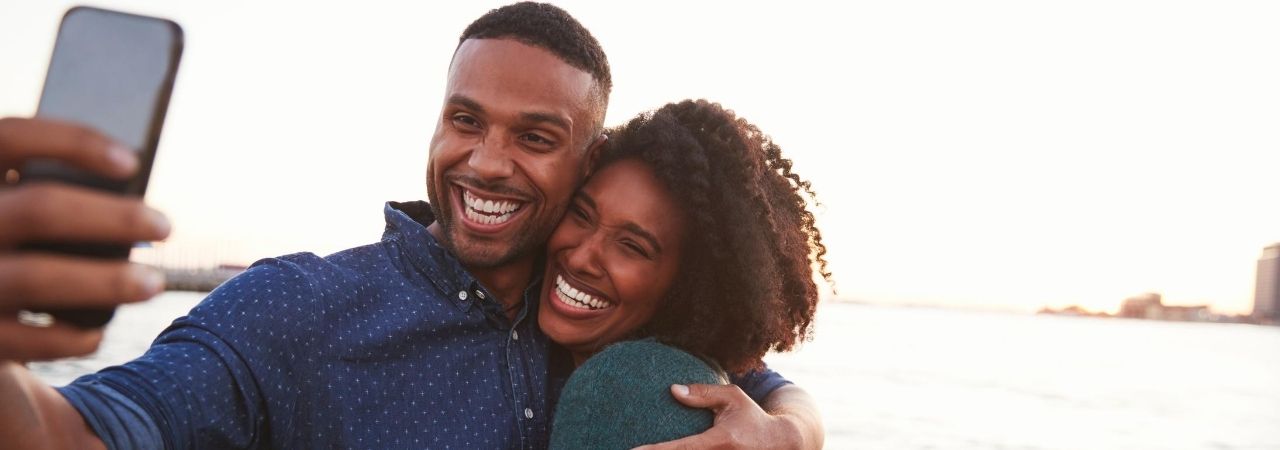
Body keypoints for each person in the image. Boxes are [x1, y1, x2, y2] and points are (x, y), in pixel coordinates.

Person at [0, 3, 823, 449]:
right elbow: (81, 431)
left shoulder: (602, 324)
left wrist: (790, 432)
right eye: (466, 120)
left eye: (536, 137)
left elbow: (755, 384)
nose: (488, 161)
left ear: (588, 159)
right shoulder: (297, 307)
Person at [540, 100, 829, 449]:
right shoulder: (509, 295)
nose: (582, 257)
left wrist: (788, 434)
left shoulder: (661, 380)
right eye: (582, 214)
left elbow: (782, 394)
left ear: (685, 288)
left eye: (632, 246)